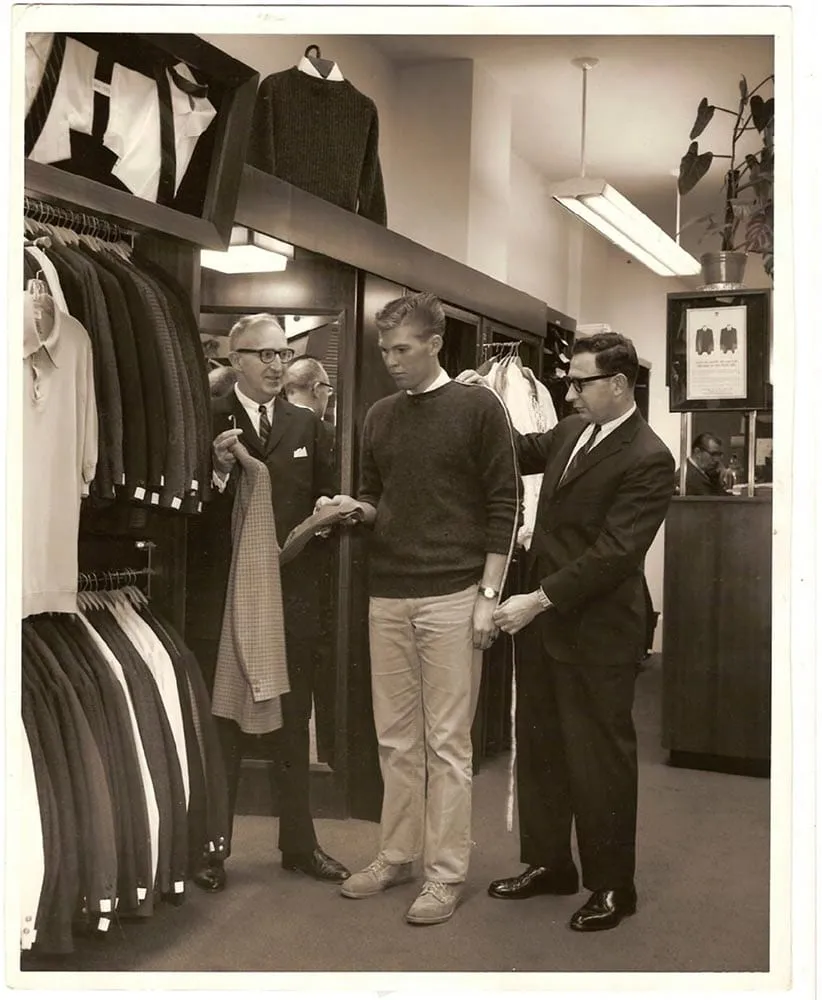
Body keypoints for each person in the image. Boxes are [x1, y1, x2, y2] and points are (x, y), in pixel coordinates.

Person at [318, 292, 519, 925]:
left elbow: (505, 505)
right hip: (388, 594)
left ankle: (445, 873)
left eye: (403, 349)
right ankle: (397, 854)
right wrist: (352, 508)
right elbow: (378, 498)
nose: (392, 360)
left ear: (435, 344)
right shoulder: (379, 416)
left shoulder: (479, 408)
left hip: (455, 595)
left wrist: (488, 596)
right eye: (384, 350)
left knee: (447, 744)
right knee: (396, 739)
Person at [487, 332, 675, 932]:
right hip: (545, 625)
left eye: (580, 383)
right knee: (541, 747)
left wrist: (537, 600)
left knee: (599, 761)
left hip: (596, 630)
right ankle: (549, 864)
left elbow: (615, 554)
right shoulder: (572, 431)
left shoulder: (649, 456)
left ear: (618, 384)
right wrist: (471, 399)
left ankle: (614, 886)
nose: (569, 394)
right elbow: (514, 448)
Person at [188, 313, 350, 892]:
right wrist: (217, 472)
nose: (278, 365)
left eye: (284, 354)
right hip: (226, 597)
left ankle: (299, 847)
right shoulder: (206, 419)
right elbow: (188, 516)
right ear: (236, 361)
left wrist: (328, 510)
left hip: (291, 598)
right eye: (265, 355)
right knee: (223, 724)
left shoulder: (307, 424)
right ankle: (212, 851)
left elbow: (325, 491)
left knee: (292, 724)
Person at [283, 355, 334, 421]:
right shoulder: (323, 427)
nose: (328, 396)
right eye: (328, 390)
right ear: (317, 390)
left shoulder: (273, 424)